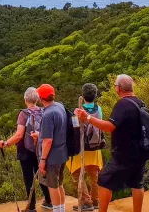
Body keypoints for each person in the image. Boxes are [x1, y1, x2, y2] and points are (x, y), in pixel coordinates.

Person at [75, 75, 149, 212]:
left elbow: (110, 126)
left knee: (104, 181)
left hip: (123, 153)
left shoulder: (122, 105)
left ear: (118, 88)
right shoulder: (139, 102)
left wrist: (87, 118)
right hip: (141, 151)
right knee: (137, 183)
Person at [0, 87, 54, 211]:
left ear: (25, 99)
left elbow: (19, 135)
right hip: (41, 150)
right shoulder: (44, 111)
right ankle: (49, 200)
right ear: (38, 99)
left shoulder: (23, 114)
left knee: (29, 179)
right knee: (41, 175)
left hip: (26, 152)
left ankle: (31, 207)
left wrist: (5, 143)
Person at [66, 83, 104, 211]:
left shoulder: (78, 111)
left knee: (77, 173)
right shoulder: (99, 109)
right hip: (95, 146)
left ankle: (86, 201)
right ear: (96, 95)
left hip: (81, 147)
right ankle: (96, 199)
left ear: (82, 95)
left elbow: (75, 129)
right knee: (94, 174)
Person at [33, 84, 69, 212]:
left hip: (52, 157)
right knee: (59, 184)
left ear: (41, 98)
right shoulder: (59, 106)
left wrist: (42, 160)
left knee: (52, 186)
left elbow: (48, 141)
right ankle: (62, 210)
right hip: (62, 153)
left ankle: (57, 210)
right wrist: (41, 134)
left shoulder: (48, 114)